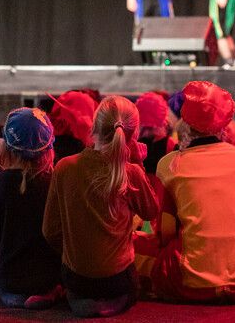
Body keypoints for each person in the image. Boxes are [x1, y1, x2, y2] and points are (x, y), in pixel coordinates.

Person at [134, 81, 235, 302]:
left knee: (132, 248)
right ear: (223, 124)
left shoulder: (169, 164)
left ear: (185, 122)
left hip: (186, 282)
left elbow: (165, 233)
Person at [43, 96, 159, 317]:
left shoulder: (64, 167)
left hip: (76, 281)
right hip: (118, 282)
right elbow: (150, 212)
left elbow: (50, 232)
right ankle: (111, 304)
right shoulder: (131, 172)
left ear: (94, 126)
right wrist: (139, 164)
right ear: (133, 136)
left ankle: (84, 302)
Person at [0, 108, 62, 309]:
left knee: (4, 289)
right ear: (48, 146)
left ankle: (15, 297)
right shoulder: (56, 183)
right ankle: (46, 294)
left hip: (9, 277)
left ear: (6, 146)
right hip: (48, 277)